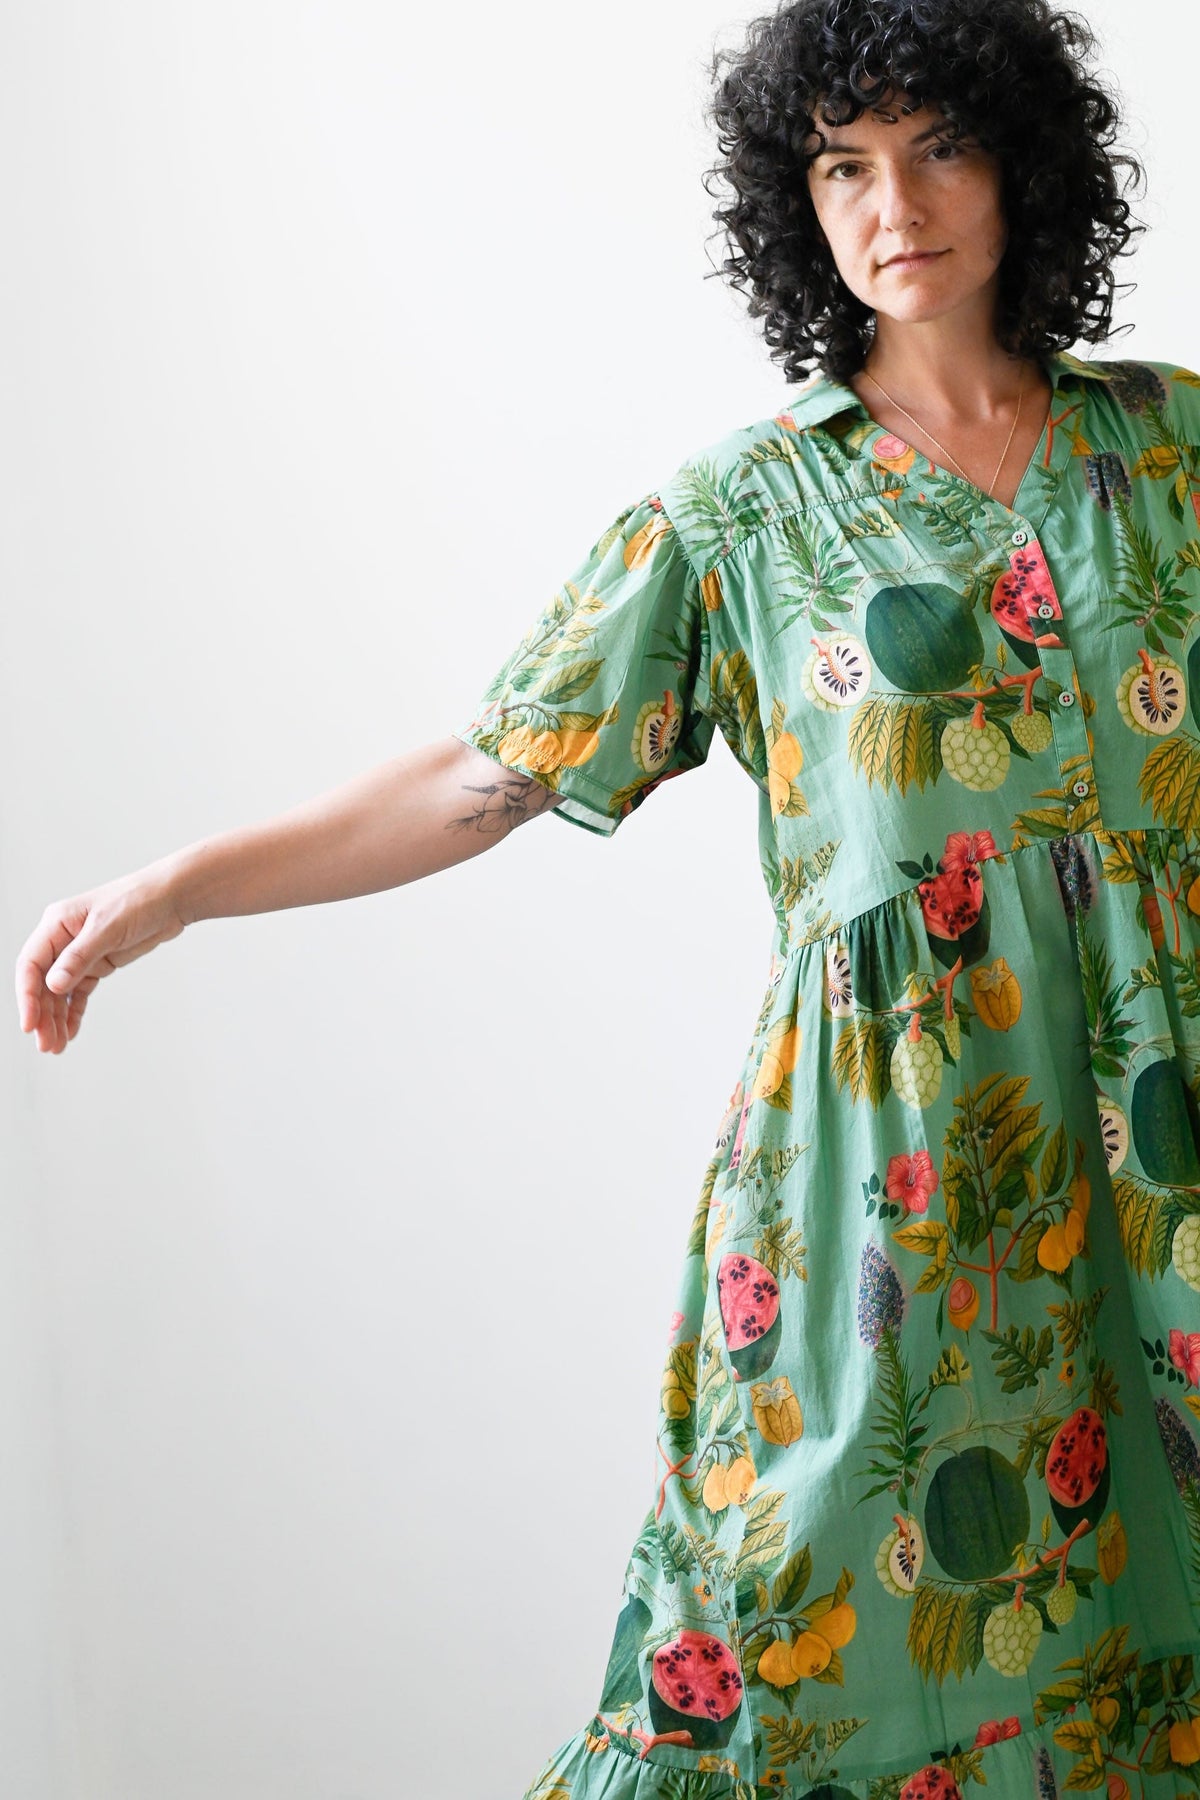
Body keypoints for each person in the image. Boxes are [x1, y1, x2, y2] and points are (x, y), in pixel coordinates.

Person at [14, 0, 1200, 1797]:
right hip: (901, 1190)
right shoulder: (744, 516)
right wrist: (178, 890)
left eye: (939, 147)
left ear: (1021, 160)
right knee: (805, 1634)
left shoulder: (1171, 451)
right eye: (842, 167)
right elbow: (486, 774)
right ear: (795, 203)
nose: (894, 206)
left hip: (1170, 1149)